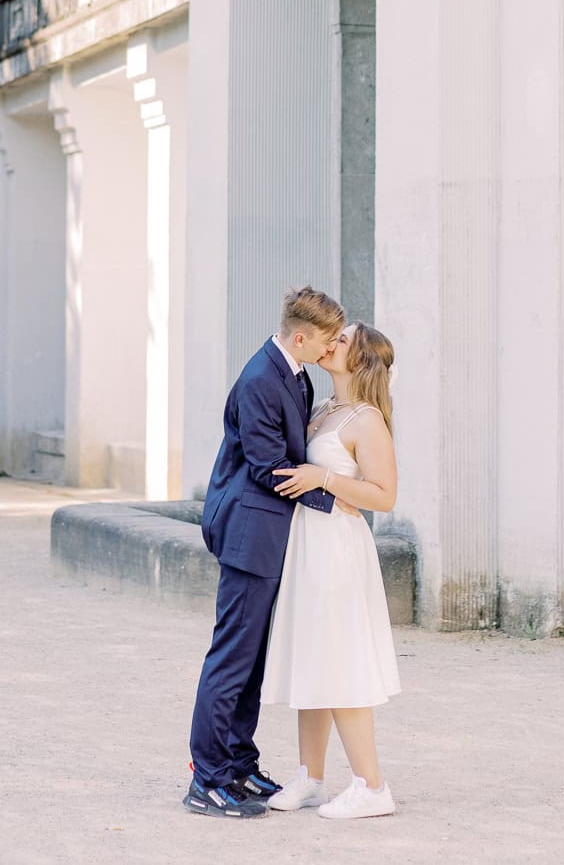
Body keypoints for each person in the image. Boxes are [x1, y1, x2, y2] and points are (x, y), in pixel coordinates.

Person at [184, 286, 346, 820]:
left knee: (252, 660)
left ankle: (239, 762)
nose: (330, 349)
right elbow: (267, 467)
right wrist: (337, 497)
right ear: (300, 338)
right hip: (248, 534)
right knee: (232, 656)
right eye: (325, 341)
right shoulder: (260, 379)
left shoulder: (295, 373)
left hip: (270, 536)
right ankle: (207, 778)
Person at [262, 321, 400, 820]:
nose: (331, 340)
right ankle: (311, 778)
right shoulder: (323, 408)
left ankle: (372, 786)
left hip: (338, 549)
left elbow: (384, 496)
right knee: (313, 657)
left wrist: (323, 477)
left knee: (340, 660)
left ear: (359, 359)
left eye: (342, 339)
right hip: (307, 546)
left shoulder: (366, 420)